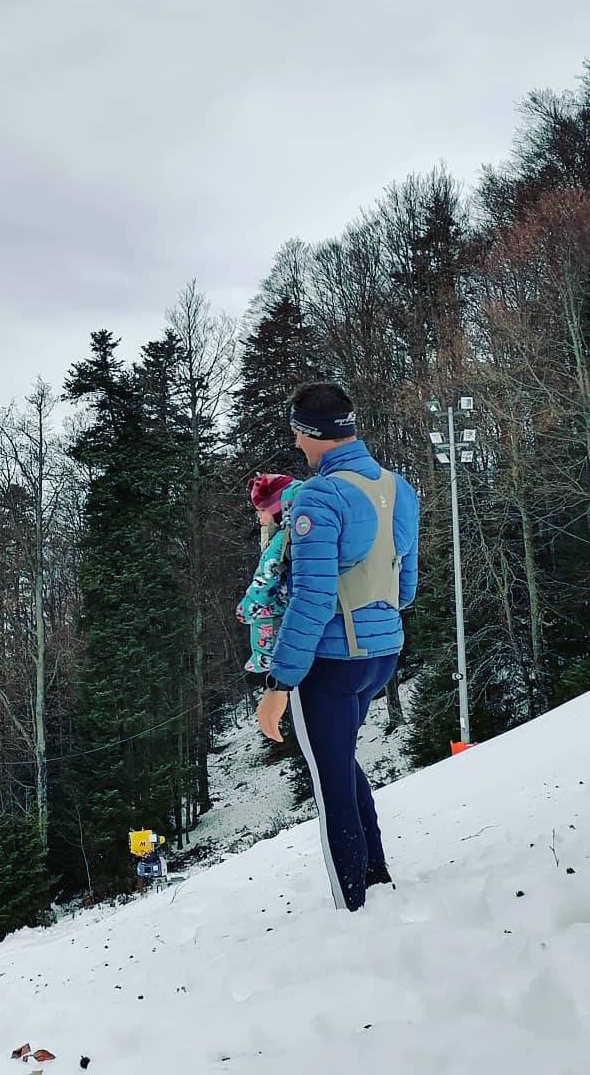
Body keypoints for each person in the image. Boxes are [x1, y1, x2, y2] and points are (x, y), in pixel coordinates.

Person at [255, 382, 420, 912]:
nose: (295, 444)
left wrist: (279, 684)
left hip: (329, 664)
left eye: (296, 433)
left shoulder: (319, 498)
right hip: (382, 655)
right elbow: (407, 588)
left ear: (309, 433)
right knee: (342, 762)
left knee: (331, 789)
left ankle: (354, 905)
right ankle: (377, 881)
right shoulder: (399, 488)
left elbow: (312, 600)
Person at [235, 473, 302, 674]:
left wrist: (247, 607)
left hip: (280, 599)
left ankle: (264, 657)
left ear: (277, 510)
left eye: (262, 510)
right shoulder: (294, 532)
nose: (259, 516)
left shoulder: (280, 538)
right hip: (293, 599)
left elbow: (265, 576)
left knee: (264, 620)